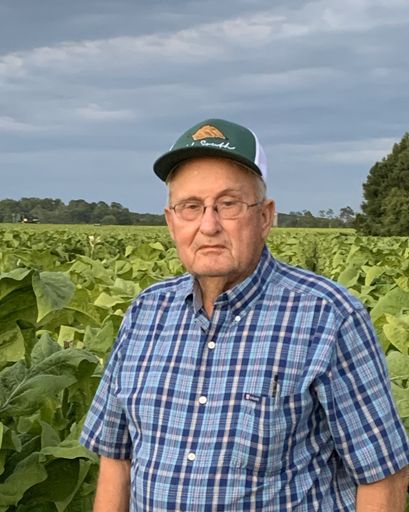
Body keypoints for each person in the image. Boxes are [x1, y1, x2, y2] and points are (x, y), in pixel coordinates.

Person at [80, 118, 409, 511]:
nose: (208, 225)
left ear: (265, 216)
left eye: (228, 204)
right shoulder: (145, 312)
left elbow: (382, 477)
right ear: (171, 222)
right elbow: (116, 457)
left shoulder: (327, 315)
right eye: (191, 207)